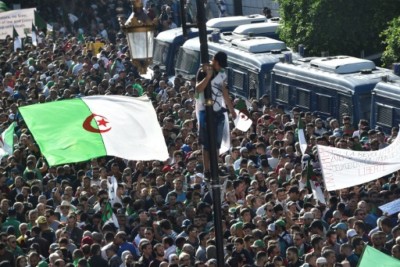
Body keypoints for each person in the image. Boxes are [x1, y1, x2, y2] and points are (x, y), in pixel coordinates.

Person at [195, 51, 236, 177]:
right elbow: (198, 89)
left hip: (218, 111)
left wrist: (232, 109)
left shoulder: (222, 74)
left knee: (216, 142)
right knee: (207, 143)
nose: (221, 67)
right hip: (205, 110)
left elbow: (224, 92)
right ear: (215, 61)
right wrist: (208, 77)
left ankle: (215, 167)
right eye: (220, 65)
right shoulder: (203, 71)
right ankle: (207, 170)